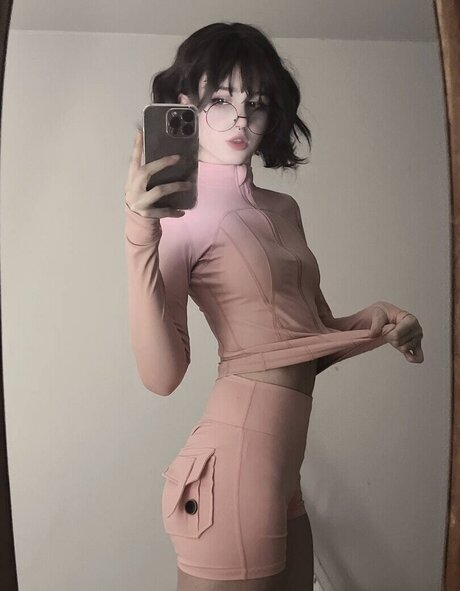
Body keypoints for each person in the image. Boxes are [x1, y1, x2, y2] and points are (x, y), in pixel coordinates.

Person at [124, 22, 423, 591]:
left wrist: (379, 319)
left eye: (256, 103)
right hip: (233, 461)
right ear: (186, 105)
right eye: (220, 100)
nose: (240, 119)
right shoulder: (179, 216)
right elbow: (162, 376)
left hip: (283, 471)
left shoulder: (282, 208)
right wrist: (140, 232)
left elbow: (306, 337)